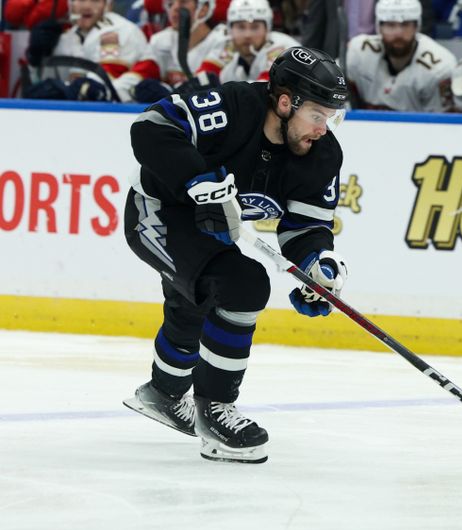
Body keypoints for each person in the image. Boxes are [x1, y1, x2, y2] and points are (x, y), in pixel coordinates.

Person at [122, 46, 350, 464]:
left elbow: (307, 228)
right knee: (242, 283)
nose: (324, 128)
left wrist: (317, 264)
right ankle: (216, 409)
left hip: (211, 229)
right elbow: (151, 126)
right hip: (156, 213)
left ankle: (163, 393)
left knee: (197, 299)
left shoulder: (322, 155)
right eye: (318, 115)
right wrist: (196, 182)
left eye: (333, 116)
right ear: (285, 102)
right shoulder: (232, 107)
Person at [24, 0, 148, 100]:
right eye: (81, 0)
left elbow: (102, 84)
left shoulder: (121, 30)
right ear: (70, 4)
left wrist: (63, 89)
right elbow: (42, 85)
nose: (87, 6)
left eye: (95, 0)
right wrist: (36, 57)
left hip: (116, 113)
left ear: (107, 4)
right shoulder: (67, 37)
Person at [346, 0, 456, 111]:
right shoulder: (359, 52)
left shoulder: (440, 67)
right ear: (378, 27)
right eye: (390, 24)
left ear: (417, 27)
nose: (398, 33)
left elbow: (440, 124)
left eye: (405, 24)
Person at [113, 0, 228, 102]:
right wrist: (114, 89)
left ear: (203, 9)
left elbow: (204, 85)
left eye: (183, 2)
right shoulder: (161, 39)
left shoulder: (225, 40)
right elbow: (141, 72)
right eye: (170, 3)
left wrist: (168, 92)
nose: (175, 8)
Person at [197, 0, 299, 83]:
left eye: (255, 27)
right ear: (230, 30)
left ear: (267, 29)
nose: (247, 35)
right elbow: (200, 79)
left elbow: (263, 90)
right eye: (241, 27)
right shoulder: (230, 45)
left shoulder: (280, 47)